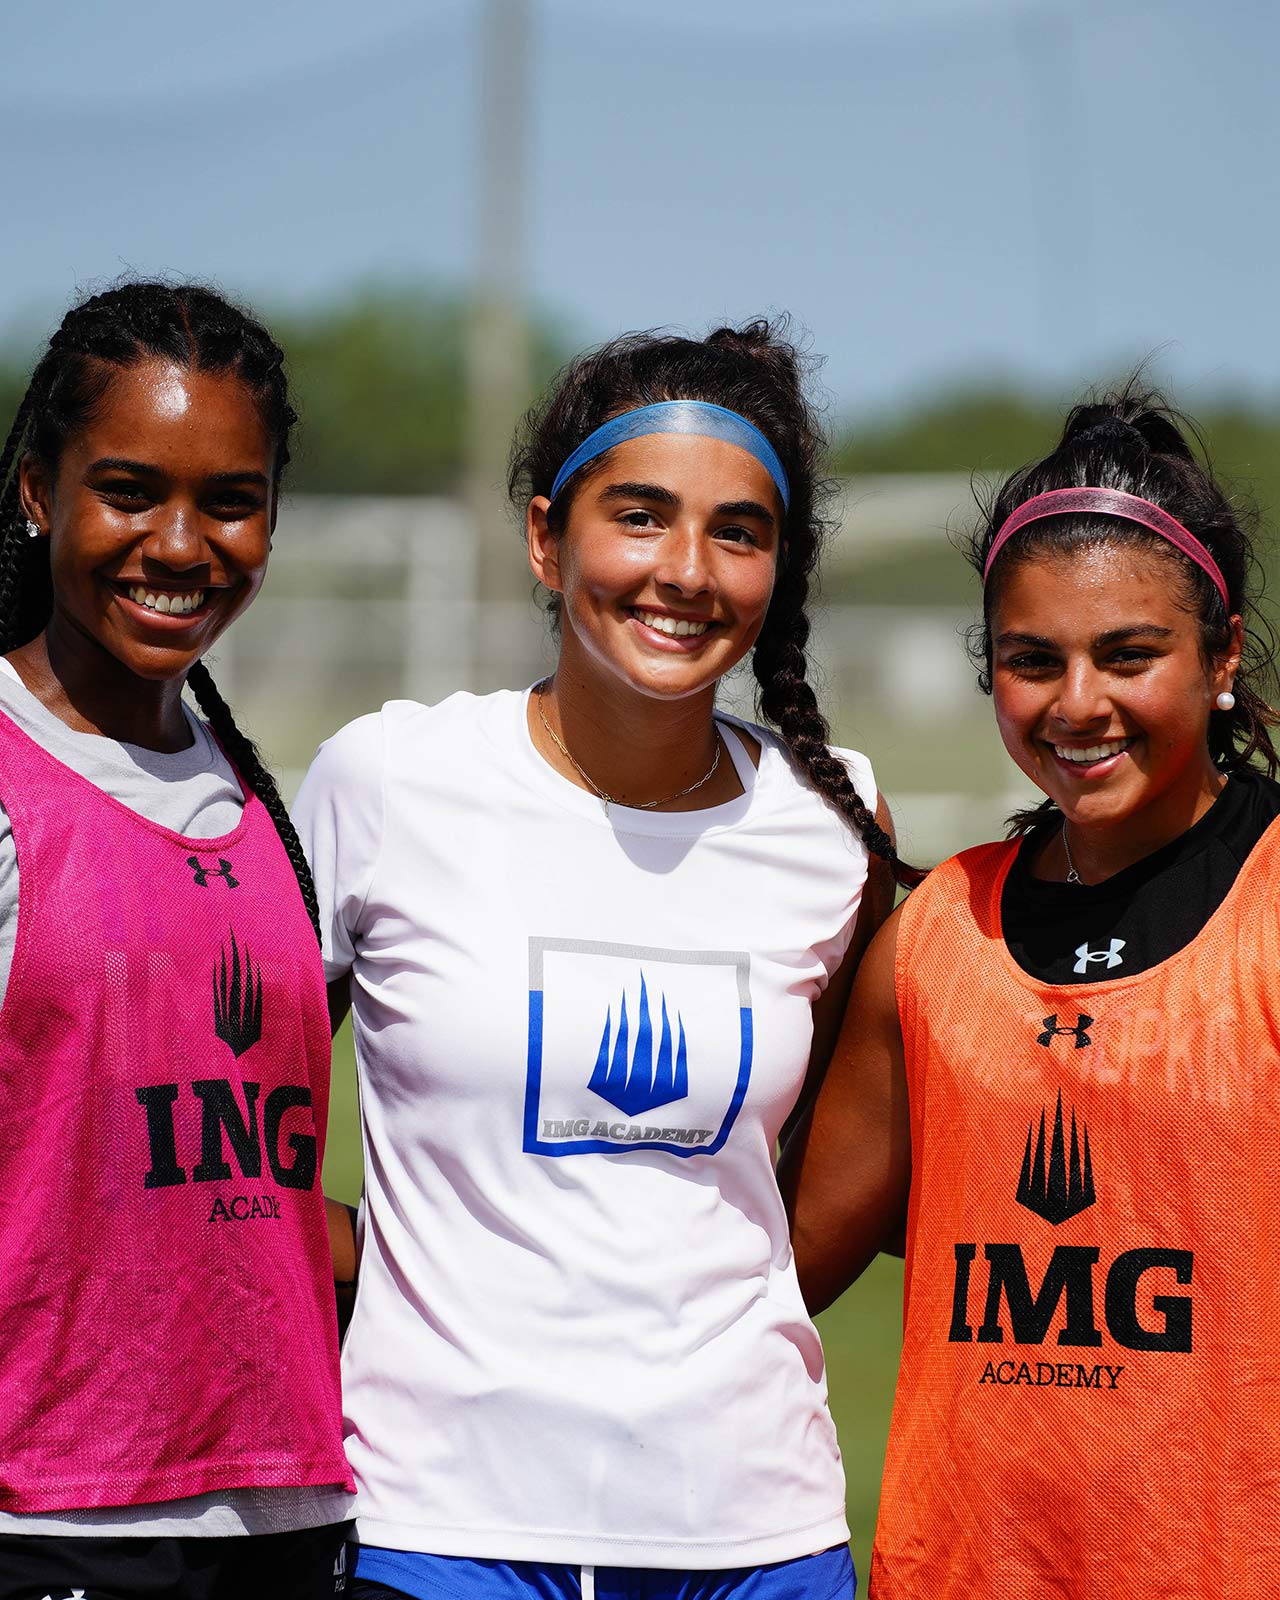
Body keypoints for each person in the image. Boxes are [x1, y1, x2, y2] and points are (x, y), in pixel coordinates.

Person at [295, 321, 917, 1600]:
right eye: (639, 516)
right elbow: (231, 1141)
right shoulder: (390, 777)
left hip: (756, 1536)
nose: (684, 570)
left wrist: (691, 1338)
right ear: (545, 537)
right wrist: (410, 1271)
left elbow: (828, 1179)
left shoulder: (833, 819)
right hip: (439, 1524)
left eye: (737, 532)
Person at [782, 388, 1280, 1598]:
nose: (1076, 703)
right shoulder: (935, 932)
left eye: (1127, 654)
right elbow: (775, 1268)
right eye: (1030, 660)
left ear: (1219, 655)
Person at [0, 283, 354, 1599]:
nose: (180, 543)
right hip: (52, 1521)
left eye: (231, 501)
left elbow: (237, 1181)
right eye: (130, 491)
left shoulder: (258, 802)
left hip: (287, 1513)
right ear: (36, 493)